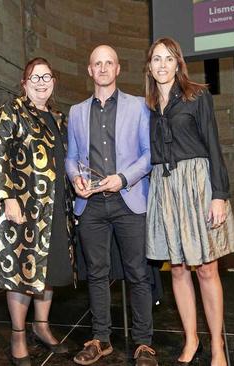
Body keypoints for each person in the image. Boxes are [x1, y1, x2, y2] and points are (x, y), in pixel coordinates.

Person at [144, 37, 234, 366]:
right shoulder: (147, 103)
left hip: (198, 186)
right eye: (156, 59)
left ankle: (217, 347)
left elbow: (213, 145)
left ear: (178, 63)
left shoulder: (197, 96)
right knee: (179, 270)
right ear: (149, 66)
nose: (162, 65)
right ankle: (191, 339)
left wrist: (219, 195)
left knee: (207, 270)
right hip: (165, 188)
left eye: (168, 59)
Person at [66, 45, 157, 366]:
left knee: (137, 273)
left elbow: (148, 155)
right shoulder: (76, 112)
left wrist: (123, 177)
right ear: (89, 71)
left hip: (129, 200)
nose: (103, 68)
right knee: (97, 274)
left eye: (108, 63)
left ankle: (144, 343)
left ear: (118, 69)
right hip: (90, 206)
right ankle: (100, 339)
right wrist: (76, 178)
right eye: (97, 64)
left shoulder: (139, 107)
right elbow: (71, 158)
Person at [0, 57, 75, 366]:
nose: (41, 81)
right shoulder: (10, 112)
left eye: (47, 76)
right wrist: (7, 197)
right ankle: (18, 333)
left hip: (56, 208)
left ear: (53, 82)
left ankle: (42, 327)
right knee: (22, 272)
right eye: (35, 77)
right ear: (24, 83)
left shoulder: (60, 118)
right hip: (23, 208)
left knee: (48, 270)